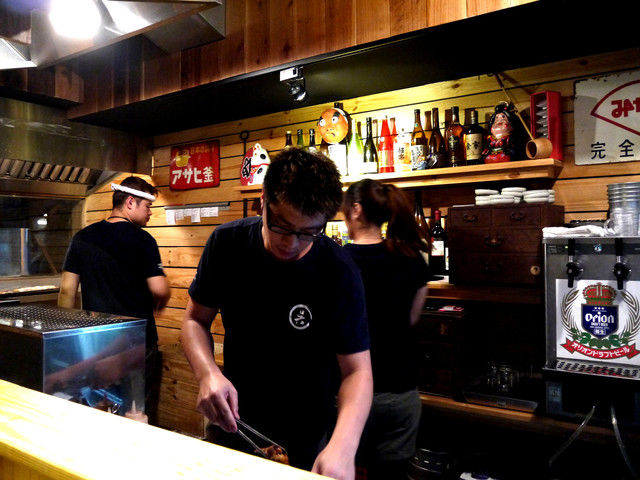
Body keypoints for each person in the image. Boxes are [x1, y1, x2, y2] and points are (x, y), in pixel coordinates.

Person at [181, 148, 373, 479]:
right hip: (233, 418)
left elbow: (357, 371)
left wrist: (344, 444)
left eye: (308, 232)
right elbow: (194, 320)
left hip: (308, 429)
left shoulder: (339, 269)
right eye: (282, 226)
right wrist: (207, 373)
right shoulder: (227, 244)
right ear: (263, 200)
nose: (292, 243)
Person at [58, 176, 170, 424]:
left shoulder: (82, 237)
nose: (150, 213)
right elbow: (160, 289)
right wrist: (162, 298)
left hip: (95, 342)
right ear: (130, 202)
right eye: (147, 206)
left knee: (98, 406)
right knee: (134, 412)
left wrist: (68, 337)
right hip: (135, 344)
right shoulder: (143, 240)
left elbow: (66, 291)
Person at [341, 178, 431, 480]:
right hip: (401, 394)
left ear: (355, 209)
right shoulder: (412, 259)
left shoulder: (337, 261)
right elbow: (412, 318)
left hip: (349, 397)